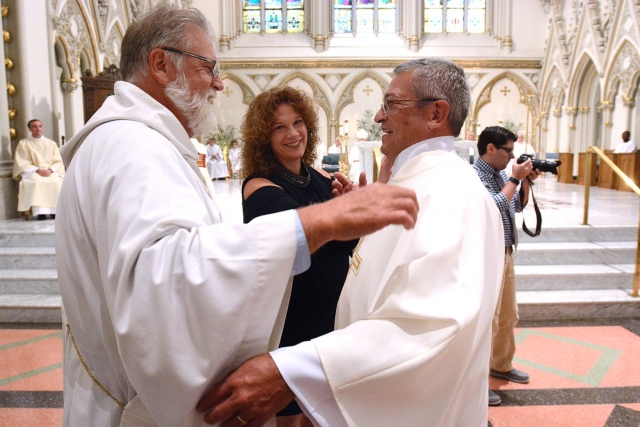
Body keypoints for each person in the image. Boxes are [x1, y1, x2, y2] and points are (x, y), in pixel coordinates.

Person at [55, 6, 419, 427]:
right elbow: (171, 278)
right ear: (160, 64)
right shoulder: (132, 147)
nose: (218, 82)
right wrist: (325, 220)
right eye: (207, 66)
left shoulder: (137, 141)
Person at [197, 58, 505, 427]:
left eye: (391, 104)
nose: (378, 117)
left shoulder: (449, 193)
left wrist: (289, 371)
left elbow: (425, 329)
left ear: (436, 113)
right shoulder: (416, 182)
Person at [241, 86, 359, 426]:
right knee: (290, 414)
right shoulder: (260, 186)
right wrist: (350, 212)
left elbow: (350, 244)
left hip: (332, 313)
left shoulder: (324, 178)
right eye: (279, 127)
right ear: (264, 136)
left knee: (323, 411)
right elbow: (306, 242)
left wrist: (352, 207)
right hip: (295, 315)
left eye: (297, 123)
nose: (293, 134)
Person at [473, 126, 541, 406]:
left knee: (508, 314)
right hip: (487, 253)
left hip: (506, 251)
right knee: (488, 318)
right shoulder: (474, 175)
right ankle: (476, 383)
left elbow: (516, 207)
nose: (512, 156)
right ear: (491, 149)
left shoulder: (502, 173)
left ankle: (501, 364)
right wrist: (515, 176)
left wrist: (525, 182)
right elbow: (493, 206)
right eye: (508, 151)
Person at [12, 119, 65, 220]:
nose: (38, 129)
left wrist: (51, 170)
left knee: (56, 182)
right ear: (30, 129)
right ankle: (41, 213)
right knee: (37, 182)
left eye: (40, 126)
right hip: (34, 171)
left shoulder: (51, 144)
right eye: (34, 126)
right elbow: (22, 161)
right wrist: (36, 170)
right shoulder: (24, 144)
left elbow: (58, 160)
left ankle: (55, 212)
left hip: (50, 172)